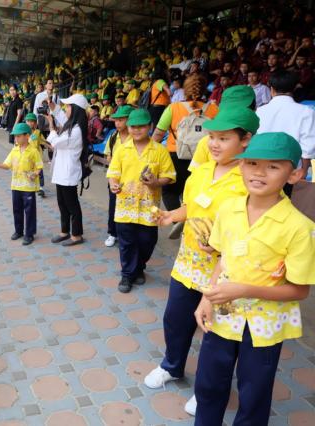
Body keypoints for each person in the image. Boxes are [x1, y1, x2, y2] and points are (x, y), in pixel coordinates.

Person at [144, 107, 259, 417]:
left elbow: (253, 228)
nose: (214, 144)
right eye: (212, 137)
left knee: (216, 334)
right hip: (187, 263)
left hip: (224, 271)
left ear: (245, 140)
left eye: (223, 138)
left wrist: (221, 245)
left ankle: (207, 391)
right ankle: (172, 365)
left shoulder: (250, 179)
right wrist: (171, 216)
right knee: (175, 318)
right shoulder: (203, 170)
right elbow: (192, 206)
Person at [193, 132, 315, 425]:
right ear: (240, 165)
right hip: (223, 314)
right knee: (208, 384)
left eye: (273, 166)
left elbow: (299, 290)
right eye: (252, 163)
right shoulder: (229, 208)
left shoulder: (299, 228)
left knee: (254, 393)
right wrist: (206, 298)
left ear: (294, 174)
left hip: (264, 325)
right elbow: (223, 258)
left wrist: (243, 289)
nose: (259, 172)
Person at [107, 109, 176, 293]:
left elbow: (169, 176)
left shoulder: (160, 150)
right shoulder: (122, 150)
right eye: (133, 126)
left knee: (147, 240)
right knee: (126, 242)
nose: (137, 130)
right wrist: (114, 184)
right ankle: (127, 274)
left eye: (141, 126)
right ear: (128, 127)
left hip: (149, 208)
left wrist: (156, 182)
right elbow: (113, 173)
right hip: (125, 206)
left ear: (150, 126)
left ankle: (139, 267)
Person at [152, 74, 219, 234]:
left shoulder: (173, 108)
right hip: (204, 160)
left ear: (184, 90)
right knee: (196, 193)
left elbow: (158, 135)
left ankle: (178, 219)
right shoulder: (214, 109)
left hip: (176, 156)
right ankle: (198, 225)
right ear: (205, 90)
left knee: (170, 191)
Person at [256, 70, 315, 194]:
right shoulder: (306, 112)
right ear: (294, 88)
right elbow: (308, 146)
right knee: (287, 201)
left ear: (271, 90)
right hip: (291, 171)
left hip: (263, 168)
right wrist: (304, 171)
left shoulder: (260, 111)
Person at [0, 123, 43, 246]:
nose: (15, 138)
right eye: (15, 136)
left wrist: (34, 174)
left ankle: (29, 234)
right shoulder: (14, 150)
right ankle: (19, 231)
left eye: (18, 136)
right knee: (17, 209)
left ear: (27, 136)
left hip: (28, 187)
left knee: (29, 211)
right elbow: (7, 165)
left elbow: (39, 167)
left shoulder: (33, 151)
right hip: (16, 186)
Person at [44, 94, 88, 247]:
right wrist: (52, 105)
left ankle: (77, 235)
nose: (65, 109)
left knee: (72, 205)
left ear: (75, 110)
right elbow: (60, 115)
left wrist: (51, 127)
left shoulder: (76, 131)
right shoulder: (71, 124)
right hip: (61, 172)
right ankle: (64, 231)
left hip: (68, 173)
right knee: (62, 203)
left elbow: (56, 143)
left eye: (68, 106)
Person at [103, 105, 133, 247]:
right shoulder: (113, 137)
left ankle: (127, 234)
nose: (117, 123)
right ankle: (113, 233)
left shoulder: (135, 137)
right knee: (113, 206)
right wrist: (114, 163)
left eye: (121, 120)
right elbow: (108, 155)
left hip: (131, 179)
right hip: (115, 179)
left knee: (130, 206)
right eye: (116, 120)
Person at [25, 113, 47, 198]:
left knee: (40, 172)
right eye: (28, 121)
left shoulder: (38, 132)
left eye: (32, 121)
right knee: (29, 171)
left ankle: (41, 188)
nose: (30, 123)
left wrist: (51, 147)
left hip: (37, 156)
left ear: (35, 123)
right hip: (28, 156)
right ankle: (30, 185)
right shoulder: (24, 133)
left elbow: (43, 141)